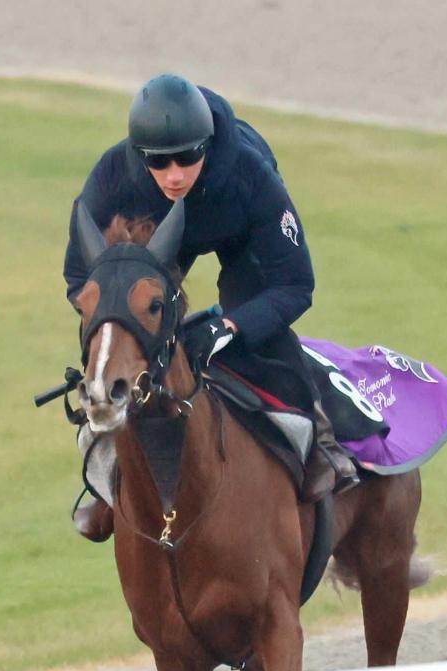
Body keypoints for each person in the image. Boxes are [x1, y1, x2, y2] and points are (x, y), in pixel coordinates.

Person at [64, 73, 358, 541]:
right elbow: (82, 279)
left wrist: (230, 326)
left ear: (207, 145)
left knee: (261, 343)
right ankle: (106, 488)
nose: (175, 174)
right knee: (121, 357)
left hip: (237, 236)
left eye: (188, 157)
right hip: (152, 241)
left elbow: (295, 283)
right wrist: (126, 328)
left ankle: (319, 445)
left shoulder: (250, 175)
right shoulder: (113, 177)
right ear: (141, 158)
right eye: (159, 163)